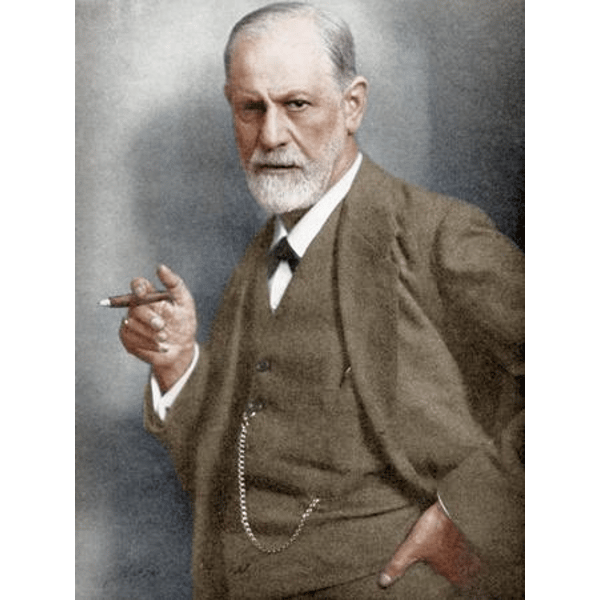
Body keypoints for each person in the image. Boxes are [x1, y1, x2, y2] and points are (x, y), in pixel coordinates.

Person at [119, 3, 524, 598]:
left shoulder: (437, 235)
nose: (270, 136)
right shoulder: (257, 259)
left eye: (296, 105)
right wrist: (178, 364)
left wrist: (468, 514)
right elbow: (233, 458)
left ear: (352, 105)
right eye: (250, 108)